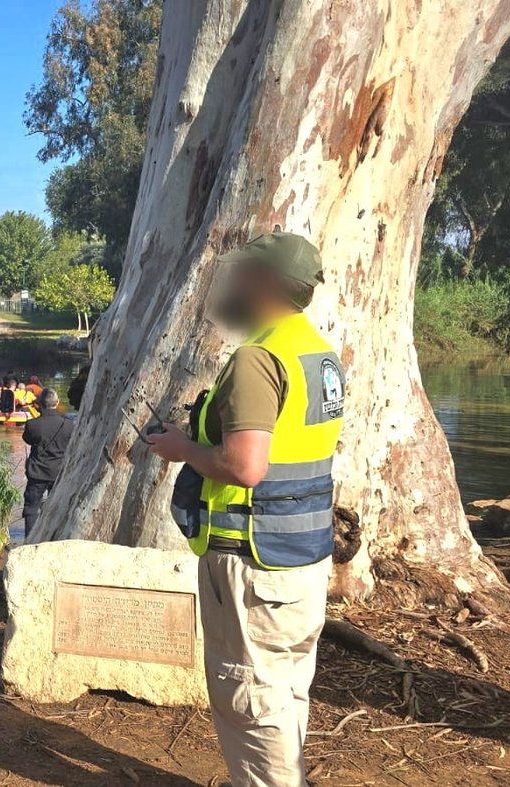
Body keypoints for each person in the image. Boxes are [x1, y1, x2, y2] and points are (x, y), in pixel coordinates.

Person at [144, 232, 344, 787]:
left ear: (264, 281)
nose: (231, 281)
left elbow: (245, 466)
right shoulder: (318, 353)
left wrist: (181, 448)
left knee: (250, 698)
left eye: (241, 271)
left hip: (252, 564)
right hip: (302, 560)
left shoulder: (258, 358)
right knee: (284, 691)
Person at [20, 388, 74, 537]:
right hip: (59, 473)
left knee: (31, 508)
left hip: (37, 473)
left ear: (39, 403)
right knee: (57, 508)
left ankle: (30, 540)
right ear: (57, 402)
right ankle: (55, 539)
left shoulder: (32, 425)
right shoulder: (69, 425)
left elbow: (27, 439)